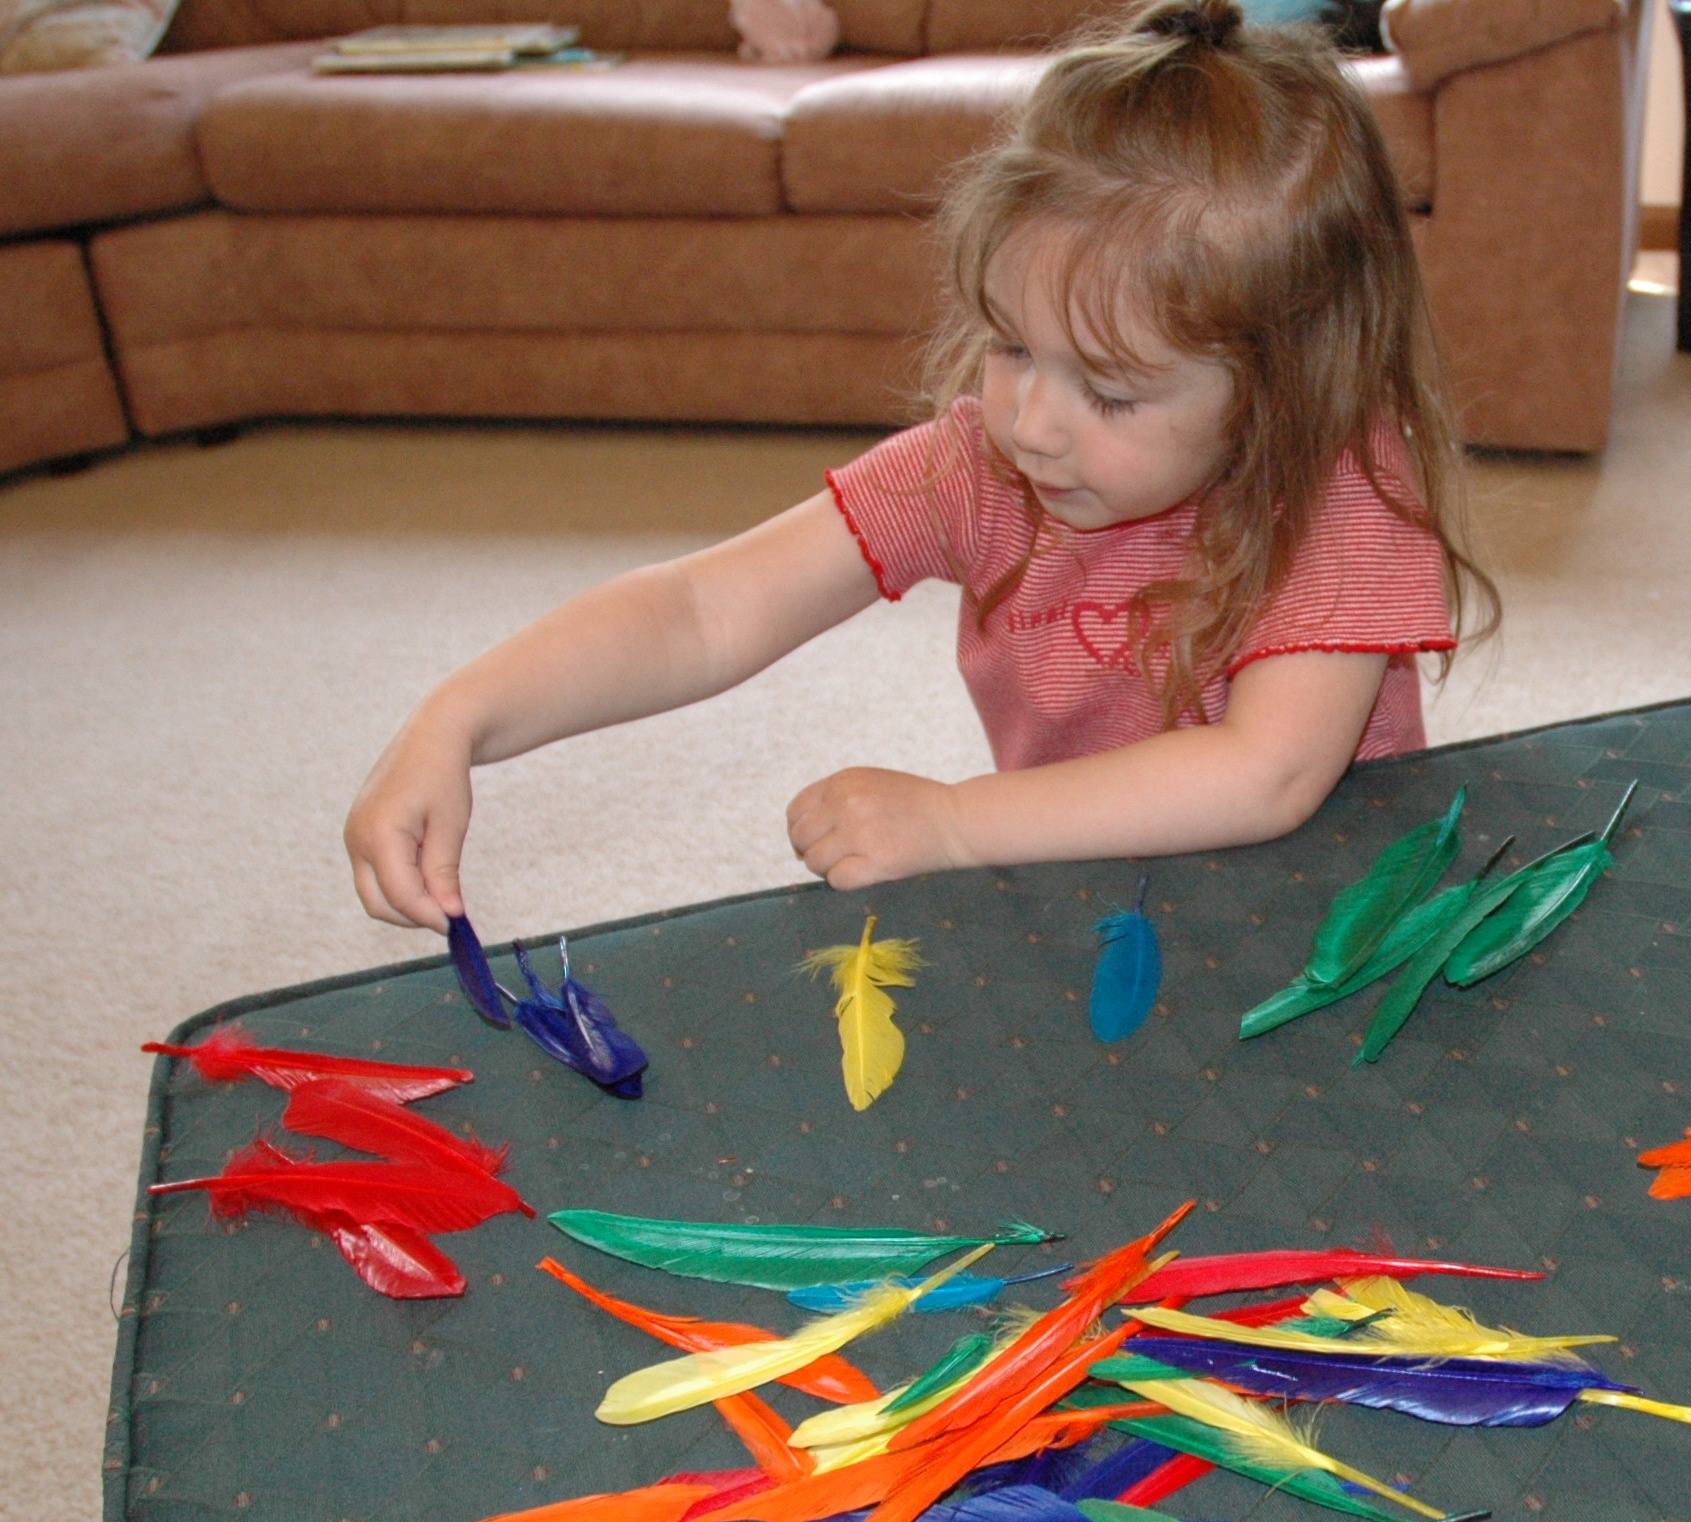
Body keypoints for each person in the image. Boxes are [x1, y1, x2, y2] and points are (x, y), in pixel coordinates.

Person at [345, 0, 1498, 927]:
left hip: (1325, 918)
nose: (1032, 423)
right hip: (1083, 889)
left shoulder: (1334, 482)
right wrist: (459, 717)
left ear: (1287, 386)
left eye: (1108, 390)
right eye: (1010, 346)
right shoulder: (982, 467)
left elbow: (1268, 777)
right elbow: (703, 610)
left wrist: (953, 824)